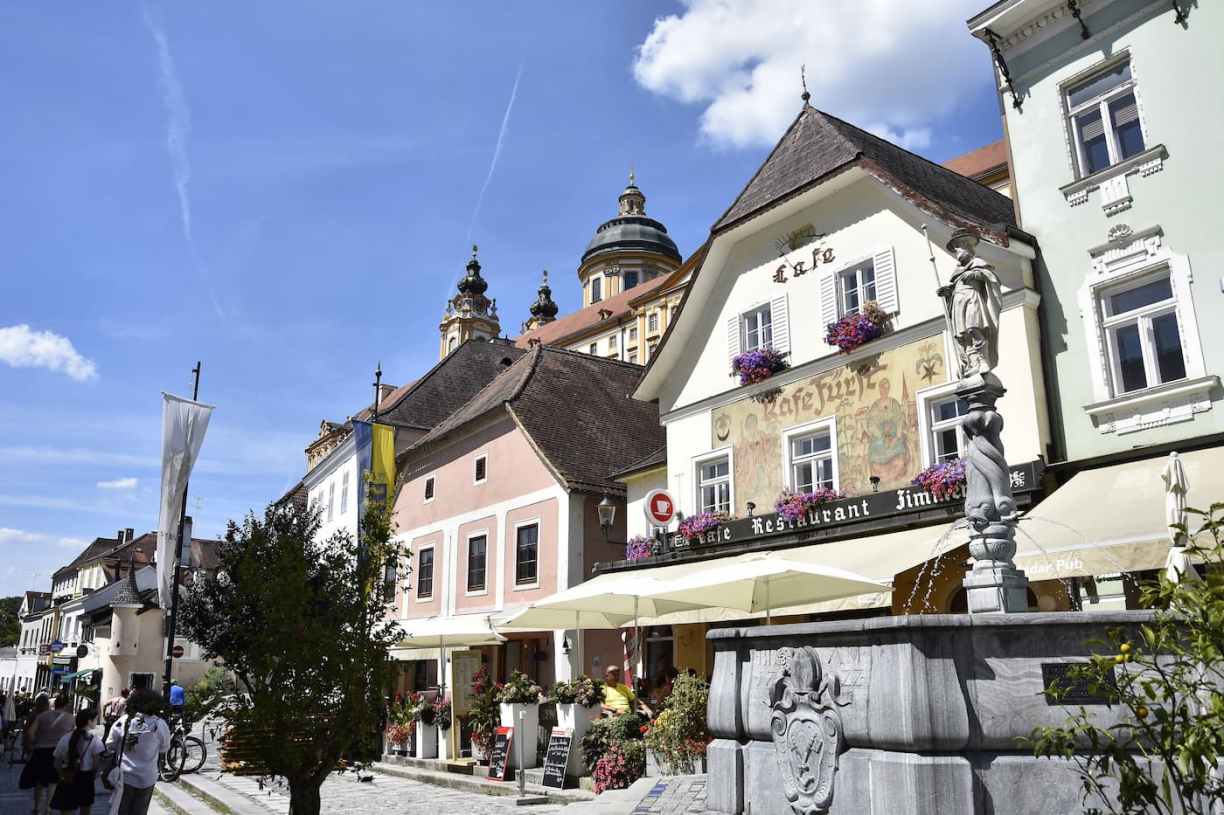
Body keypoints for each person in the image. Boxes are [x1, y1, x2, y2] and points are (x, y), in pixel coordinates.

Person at [104, 689, 171, 815]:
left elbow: (110, 744)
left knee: (121, 810)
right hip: (147, 776)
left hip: (125, 776)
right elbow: (164, 748)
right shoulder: (160, 724)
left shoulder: (124, 721)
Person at [21, 693, 74, 815]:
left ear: (55, 704)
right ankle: (48, 808)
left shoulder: (43, 716)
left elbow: (30, 733)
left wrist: (34, 742)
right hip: (58, 752)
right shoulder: (71, 718)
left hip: (40, 750)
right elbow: (70, 737)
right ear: (66, 705)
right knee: (53, 781)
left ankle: (36, 807)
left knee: (39, 781)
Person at [51, 708, 106, 815]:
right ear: (89, 721)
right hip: (86, 777)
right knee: (85, 808)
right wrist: (94, 774)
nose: (96, 721)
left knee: (66, 808)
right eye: (95, 719)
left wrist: (61, 774)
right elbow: (96, 764)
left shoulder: (65, 738)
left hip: (68, 775)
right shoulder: (94, 740)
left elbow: (56, 762)